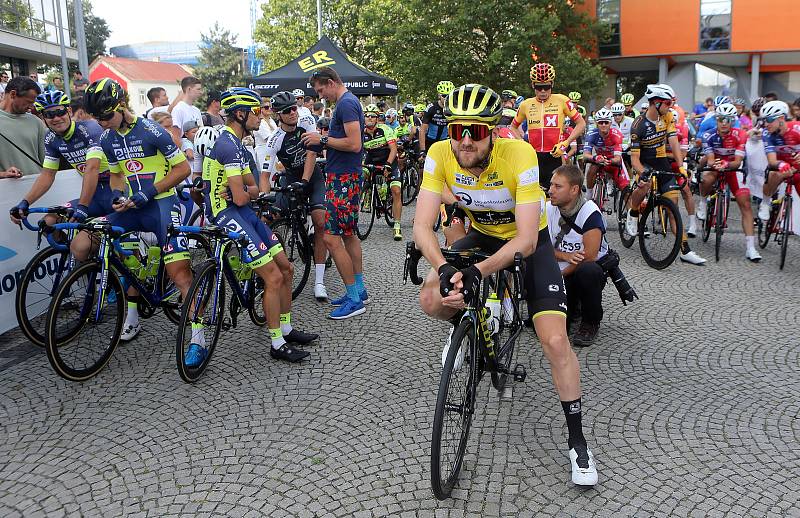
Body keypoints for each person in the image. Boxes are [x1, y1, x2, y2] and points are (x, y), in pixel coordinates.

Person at [413, 83, 598, 486]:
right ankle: (467, 327)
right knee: (431, 295)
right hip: (482, 234)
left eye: (476, 131)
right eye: (457, 128)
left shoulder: (519, 154)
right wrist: (445, 267)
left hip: (530, 241)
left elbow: (527, 239)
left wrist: (479, 272)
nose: (464, 140)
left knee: (553, 341)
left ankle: (578, 440)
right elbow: (421, 226)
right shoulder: (439, 153)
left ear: (493, 131)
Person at [75, 78, 194, 343]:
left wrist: (148, 192)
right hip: (133, 207)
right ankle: (131, 314)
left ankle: (198, 337)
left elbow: (183, 169)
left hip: (162, 204)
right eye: (96, 117)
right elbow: (117, 175)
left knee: (179, 274)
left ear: (121, 105)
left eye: (106, 115)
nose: (101, 121)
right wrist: (118, 195)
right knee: (83, 242)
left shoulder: (152, 130)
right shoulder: (107, 138)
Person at [203, 87, 317, 362]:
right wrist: (243, 193)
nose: (262, 115)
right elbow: (244, 195)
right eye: (256, 111)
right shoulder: (228, 146)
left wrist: (244, 192)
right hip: (225, 214)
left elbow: (252, 190)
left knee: (287, 269)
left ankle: (286, 328)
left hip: (242, 211)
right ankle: (276, 344)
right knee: (274, 276)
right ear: (240, 114)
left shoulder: (239, 144)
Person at [9, 90, 123, 237]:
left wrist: (83, 206)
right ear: (43, 118)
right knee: (48, 222)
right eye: (49, 115)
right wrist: (25, 203)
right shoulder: (50, 138)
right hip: (94, 195)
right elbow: (47, 175)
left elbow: (92, 169)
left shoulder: (89, 129)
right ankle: (75, 257)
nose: (56, 118)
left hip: (115, 190)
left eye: (60, 112)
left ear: (69, 111)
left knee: (118, 244)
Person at [302, 66, 368, 320]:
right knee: (349, 235)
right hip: (345, 176)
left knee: (331, 238)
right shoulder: (347, 103)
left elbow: (354, 144)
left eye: (320, 90)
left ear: (331, 82)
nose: (321, 96)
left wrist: (323, 140)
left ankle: (354, 299)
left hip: (344, 178)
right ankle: (359, 291)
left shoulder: (346, 104)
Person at [624, 83, 706, 265]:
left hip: (661, 160)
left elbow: (674, 142)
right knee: (643, 185)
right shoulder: (638, 125)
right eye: (668, 103)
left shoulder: (668, 116)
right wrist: (642, 173)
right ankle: (633, 211)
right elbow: (635, 159)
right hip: (643, 160)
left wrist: (682, 167)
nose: (671, 107)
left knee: (672, 206)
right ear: (656, 103)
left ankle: (685, 250)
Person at [263, 91, 330, 301]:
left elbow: (311, 153)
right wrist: (265, 199)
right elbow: (265, 174)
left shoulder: (307, 120)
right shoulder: (274, 139)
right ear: (278, 115)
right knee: (267, 219)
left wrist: (306, 181)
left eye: (294, 108)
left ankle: (319, 281)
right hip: (291, 177)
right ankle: (274, 266)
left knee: (320, 221)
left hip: (313, 176)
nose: (293, 113)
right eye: (287, 111)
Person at [547, 165, 609, 345]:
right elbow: (537, 247)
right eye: (551, 185)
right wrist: (564, 256)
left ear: (574, 190)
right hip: (559, 269)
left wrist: (559, 275)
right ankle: (572, 308)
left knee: (588, 271)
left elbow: (589, 256)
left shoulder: (590, 212)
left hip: (580, 271)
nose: (551, 190)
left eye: (558, 187)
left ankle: (590, 322)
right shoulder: (547, 208)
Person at [697, 103, 761, 262]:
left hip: (733, 169)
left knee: (745, 204)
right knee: (707, 178)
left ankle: (751, 248)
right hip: (716, 167)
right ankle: (703, 202)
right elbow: (711, 160)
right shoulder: (708, 136)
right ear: (716, 119)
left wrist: (727, 164)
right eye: (720, 119)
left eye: (728, 119)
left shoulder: (740, 135)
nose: (724, 122)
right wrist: (717, 165)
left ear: (733, 121)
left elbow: (738, 162)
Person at [511, 62, 586, 190]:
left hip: (555, 156)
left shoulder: (562, 100)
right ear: (533, 85)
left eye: (547, 86)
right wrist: (523, 144)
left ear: (552, 84)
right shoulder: (525, 104)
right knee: (534, 195)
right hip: (533, 157)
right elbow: (512, 127)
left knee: (556, 196)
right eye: (539, 87)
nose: (543, 91)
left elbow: (581, 123)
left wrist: (566, 143)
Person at [362, 103, 403, 241]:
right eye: (366, 116)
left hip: (389, 160)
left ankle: (397, 225)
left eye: (372, 116)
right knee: (360, 175)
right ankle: (366, 195)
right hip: (372, 160)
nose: (369, 118)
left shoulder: (385, 129)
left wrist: (388, 165)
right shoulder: (361, 133)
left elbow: (393, 149)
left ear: (377, 118)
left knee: (396, 190)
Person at [758, 100, 800, 221]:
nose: (766, 124)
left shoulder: (797, 128)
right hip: (779, 167)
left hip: (797, 169)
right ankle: (765, 204)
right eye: (763, 120)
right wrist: (781, 164)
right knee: (773, 174)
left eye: (769, 120)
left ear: (781, 118)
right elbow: (772, 160)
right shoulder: (767, 134)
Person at [0, 76, 46, 178]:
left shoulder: (36, 122)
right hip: (6, 190)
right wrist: (4, 174)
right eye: (29, 102)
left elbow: (48, 162)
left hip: (38, 187)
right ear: (13, 94)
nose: (31, 107)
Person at [583, 107, 629, 195]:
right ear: (597, 123)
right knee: (592, 168)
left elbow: (618, 159)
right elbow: (585, 156)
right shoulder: (591, 134)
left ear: (610, 123)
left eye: (606, 122)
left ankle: (611, 180)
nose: (603, 125)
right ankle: (588, 196)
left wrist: (609, 161)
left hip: (613, 161)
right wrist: (595, 157)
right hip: (599, 159)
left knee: (625, 190)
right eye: (600, 122)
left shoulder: (617, 135)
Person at [419, 81, 454, 157]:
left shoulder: (453, 109)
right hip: (430, 142)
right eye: (444, 96)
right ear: (439, 95)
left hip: (444, 142)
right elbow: (422, 130)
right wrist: (422, 150)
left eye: (449, 96)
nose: (446, 99)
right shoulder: (431, 108)